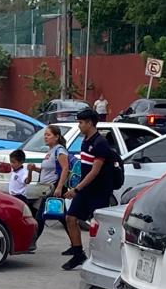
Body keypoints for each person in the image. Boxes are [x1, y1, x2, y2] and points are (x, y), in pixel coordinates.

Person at [62, 108, 122, 270]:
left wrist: (77, 189)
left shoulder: (99, 143)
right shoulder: (85, 140)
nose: (79, 126)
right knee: (71, 218)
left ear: (89, 123)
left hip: (98, 191)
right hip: (85, 189)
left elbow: (95, 171)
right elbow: (85, 167)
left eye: (81, 123)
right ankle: (78, 254)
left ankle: (103, 257)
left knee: (98, 226)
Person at [33, 124, 70, 244]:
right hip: (47, 187)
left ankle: (31, 243)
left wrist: (59, 188)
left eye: (48, 135)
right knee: (63, 217)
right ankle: (76, 244)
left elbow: (65, 168)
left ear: (57, 137)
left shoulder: (60, 150)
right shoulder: (50, 151)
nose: (45, 137)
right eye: (45, 135)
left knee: (40, 216)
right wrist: (35, 169)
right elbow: (48, 170)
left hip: (53, 188)